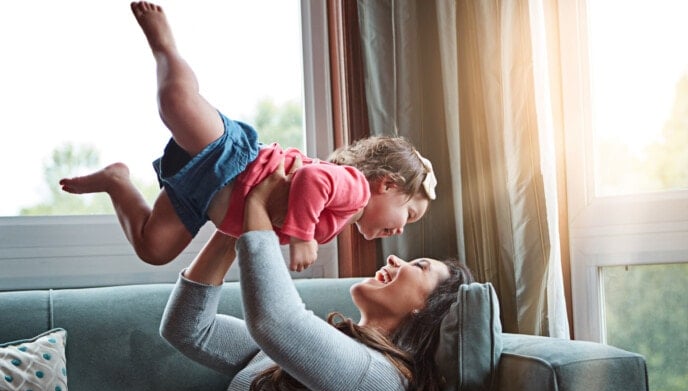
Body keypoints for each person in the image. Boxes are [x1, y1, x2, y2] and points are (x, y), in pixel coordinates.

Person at [0, 135, 474, 391]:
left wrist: (256, 218)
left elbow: (277, 322)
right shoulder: (317, 349)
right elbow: (189, 329)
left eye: (421, 266)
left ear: (427, 310)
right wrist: (236, 221)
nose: (397, 256)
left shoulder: (385, 385)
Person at [59, 1, 438, 272]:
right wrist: (302, 236)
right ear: (387, 184)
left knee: (153, 249)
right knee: (175, 102)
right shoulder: (354, 188)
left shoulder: (337, 222)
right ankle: (166, 47)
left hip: (204, 200)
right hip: (232, 162)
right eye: (410, 213)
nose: (401, 228)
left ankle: (117, 181)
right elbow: (312, 179)